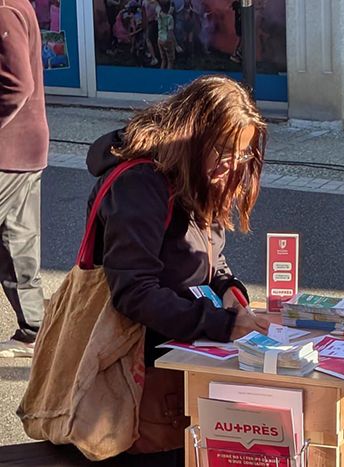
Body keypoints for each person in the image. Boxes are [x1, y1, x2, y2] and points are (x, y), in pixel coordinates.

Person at [85, 75, 270, 373]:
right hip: (139, 360)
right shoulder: (140, 183)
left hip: (188, 349)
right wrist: (220, 323)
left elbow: (210, 256)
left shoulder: (200, 175)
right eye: (224, 150)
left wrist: (227, 290)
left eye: (242, 153)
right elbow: (134, 291)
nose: (233, 164)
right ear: (193, 136)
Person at [0, 0, 49, 358]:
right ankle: (33, 329)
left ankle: (34, 328)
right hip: (25, 144)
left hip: (9, 146)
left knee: (17, 241)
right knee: (17, 241)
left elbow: (17, 84)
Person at [157, 0, 177, 69]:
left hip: (159, 39)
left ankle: (160, 76)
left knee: (163, 60)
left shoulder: (159, 14)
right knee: (170, 61)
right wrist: (176, 45)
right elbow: (170, 32)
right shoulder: (170, 18)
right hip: (167, 40)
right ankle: (168, 77)